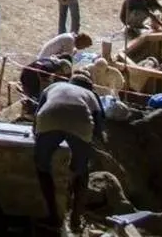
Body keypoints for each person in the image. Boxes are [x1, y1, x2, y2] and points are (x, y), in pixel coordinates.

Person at [33, 74, 105, 232]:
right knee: (81, 172)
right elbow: (99, 128)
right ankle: (75, 220)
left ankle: (53, 216)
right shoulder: (92, 95)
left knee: (42, 166)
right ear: (89, 87)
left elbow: (36, 115)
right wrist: (87, 148)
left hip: (49, 118)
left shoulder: (54, 87)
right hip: (81, 123)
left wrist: (39, 138)